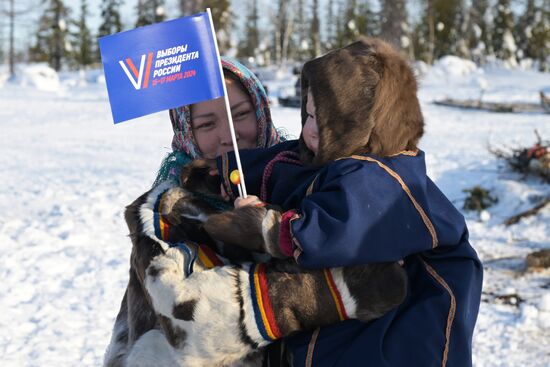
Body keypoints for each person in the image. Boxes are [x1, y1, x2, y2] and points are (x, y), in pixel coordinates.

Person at [201, 37, 483, 366]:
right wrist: (229, 173)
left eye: (331, 124)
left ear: (371, 124)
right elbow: (279, 164)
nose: (312, 130)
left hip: (407, 327)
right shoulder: (323, 156)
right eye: (308, 116)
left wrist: (269, 227)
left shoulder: (387, 176)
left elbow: (343, 227)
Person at [103, 57, 286, 367]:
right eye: (206, 124)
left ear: (261, 111)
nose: (229, 134)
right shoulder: (165, 215)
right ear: (186, 131)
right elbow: (195, 319)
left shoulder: (298, 177)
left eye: (240, 114)